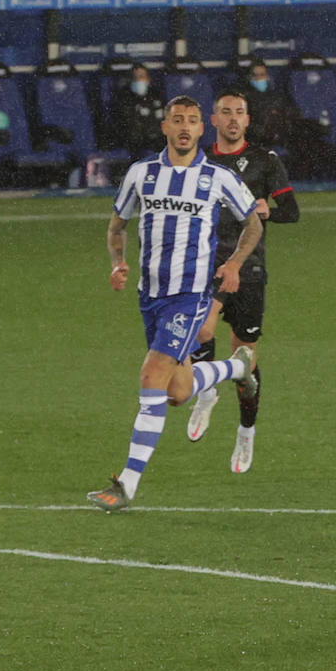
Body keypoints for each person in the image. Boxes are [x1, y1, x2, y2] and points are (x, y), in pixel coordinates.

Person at [88, 96, 264, 512]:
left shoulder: (217, 178)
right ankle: (240, 367)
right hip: (150, 296)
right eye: (177, 120)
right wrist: (118, 262)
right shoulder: (141, 174)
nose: (185, 127)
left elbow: (252, 223)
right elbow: (117, 225)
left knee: (152, 376)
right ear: (165, 127)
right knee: (177, 392)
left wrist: (236, 262)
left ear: (203, 129)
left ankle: (127, 484)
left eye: (192, 121)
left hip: (189, 295)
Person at [185, 90, 300, 473]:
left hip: (249, 267)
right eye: (225, 113)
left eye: (239, 112)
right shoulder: (199, 161)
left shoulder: (265, 161)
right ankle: (206, 393)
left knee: (244, 359)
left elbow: (293, 212)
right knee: (202, 332)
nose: (233, 118)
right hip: (207, 264)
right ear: (212, 121)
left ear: (248, 120)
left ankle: (246, 431)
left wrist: (268, 210)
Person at [105, 64, 164, 159]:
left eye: (141, 77)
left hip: (157, 143)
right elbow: (127, 126)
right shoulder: (123, 98)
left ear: (148, 80)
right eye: (134, 77)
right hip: (133, 145)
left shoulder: (156, 96)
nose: (138, 80)